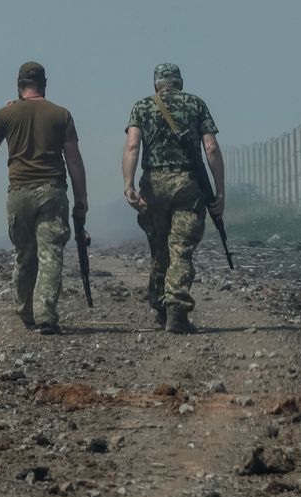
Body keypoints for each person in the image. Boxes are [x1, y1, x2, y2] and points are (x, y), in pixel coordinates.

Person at [0, 61, 87, 335]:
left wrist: (4, 115)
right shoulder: (61, 115)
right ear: (44, 84)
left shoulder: (6, 114)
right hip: (52, 190)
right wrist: (81, 199)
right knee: (50, 254)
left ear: (19, 86)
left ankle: (26, 312)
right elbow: (74, 160)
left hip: (19, 192)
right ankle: (46, 316)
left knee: (25, 255)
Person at [121, 62, 224, 335]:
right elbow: (211, 148)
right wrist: (220, 190)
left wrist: (128, 186)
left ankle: (159, 305)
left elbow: (132, 146)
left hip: (153, 185)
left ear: (156, 85)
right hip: (188, 184)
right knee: (181, 248)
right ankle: (177, 309)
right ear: (180, 83)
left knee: (159, 247)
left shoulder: (142, 106)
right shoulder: (196, 104)